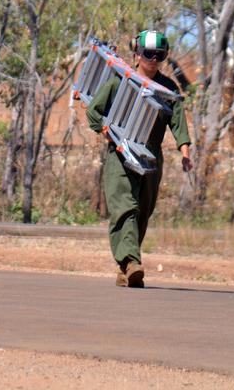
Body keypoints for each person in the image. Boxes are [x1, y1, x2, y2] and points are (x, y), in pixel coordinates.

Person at [86, 30, 192, 288]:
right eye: (148, 54)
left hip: (151, 158)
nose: (153, 59)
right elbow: (94, 113)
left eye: (159, 55)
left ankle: (126, 268)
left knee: (143, 211)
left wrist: (185, 151)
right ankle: (132, 261)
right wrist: (108, 133)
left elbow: (177, 119)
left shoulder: (167, 88)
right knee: (125, 208)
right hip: (121, 156)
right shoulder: (120, 80)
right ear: (137, 54)